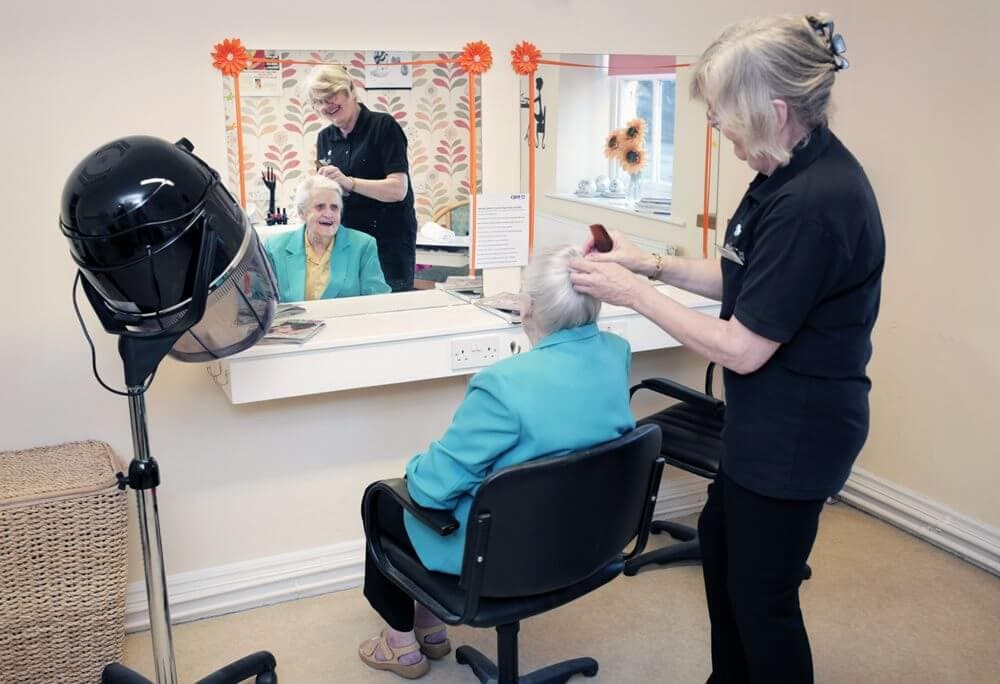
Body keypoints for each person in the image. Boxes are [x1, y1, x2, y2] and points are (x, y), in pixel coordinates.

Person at [569, 14, 884, 683]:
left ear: (773, 110)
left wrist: (632, 293)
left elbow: (742, 348)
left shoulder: (816, 202)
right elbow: (741, 275)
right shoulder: (782, 169)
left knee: (763, 601)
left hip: (799, 432)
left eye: (724, 117)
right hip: (763, 420)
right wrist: (649, 264)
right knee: (720, 550)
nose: (721, 131)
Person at [359, 245, 636, 679]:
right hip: (588, 540)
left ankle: (401, 644)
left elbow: (433, 487)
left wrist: (414, 467)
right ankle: (429, 625)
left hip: (508, 554)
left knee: (382, 501)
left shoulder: (502, 384)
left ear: (527, 306)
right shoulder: (616, 353)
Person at [308, 64, 418, 292]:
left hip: (388, 241)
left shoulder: (383, 127)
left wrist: (349, 182)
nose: (325, 106)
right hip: (347, 240)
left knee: (389, 309)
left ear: (350, 90)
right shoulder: (325, 138)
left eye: (330, 97)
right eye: (318, 101)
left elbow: (398, 190)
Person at [264, 175, 389, 302]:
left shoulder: (363, 246)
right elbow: (261, 302)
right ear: (302, 212)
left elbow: (378, 300)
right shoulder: (274, 248)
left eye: (334, 207)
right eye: (320, 207)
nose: (328, 214)